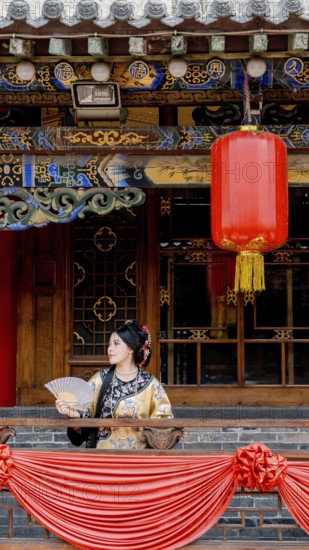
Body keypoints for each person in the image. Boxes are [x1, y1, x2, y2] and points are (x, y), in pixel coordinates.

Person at [56, 320, 173, 449]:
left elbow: (164, 423)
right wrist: (72, 413)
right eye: (109, 344)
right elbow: (84, 419)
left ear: (131, 349)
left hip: (138, 461)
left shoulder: (151, 385)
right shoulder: (99, 380)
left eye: (116, 344)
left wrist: (168, 430)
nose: (110, 349)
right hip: (103, 458)